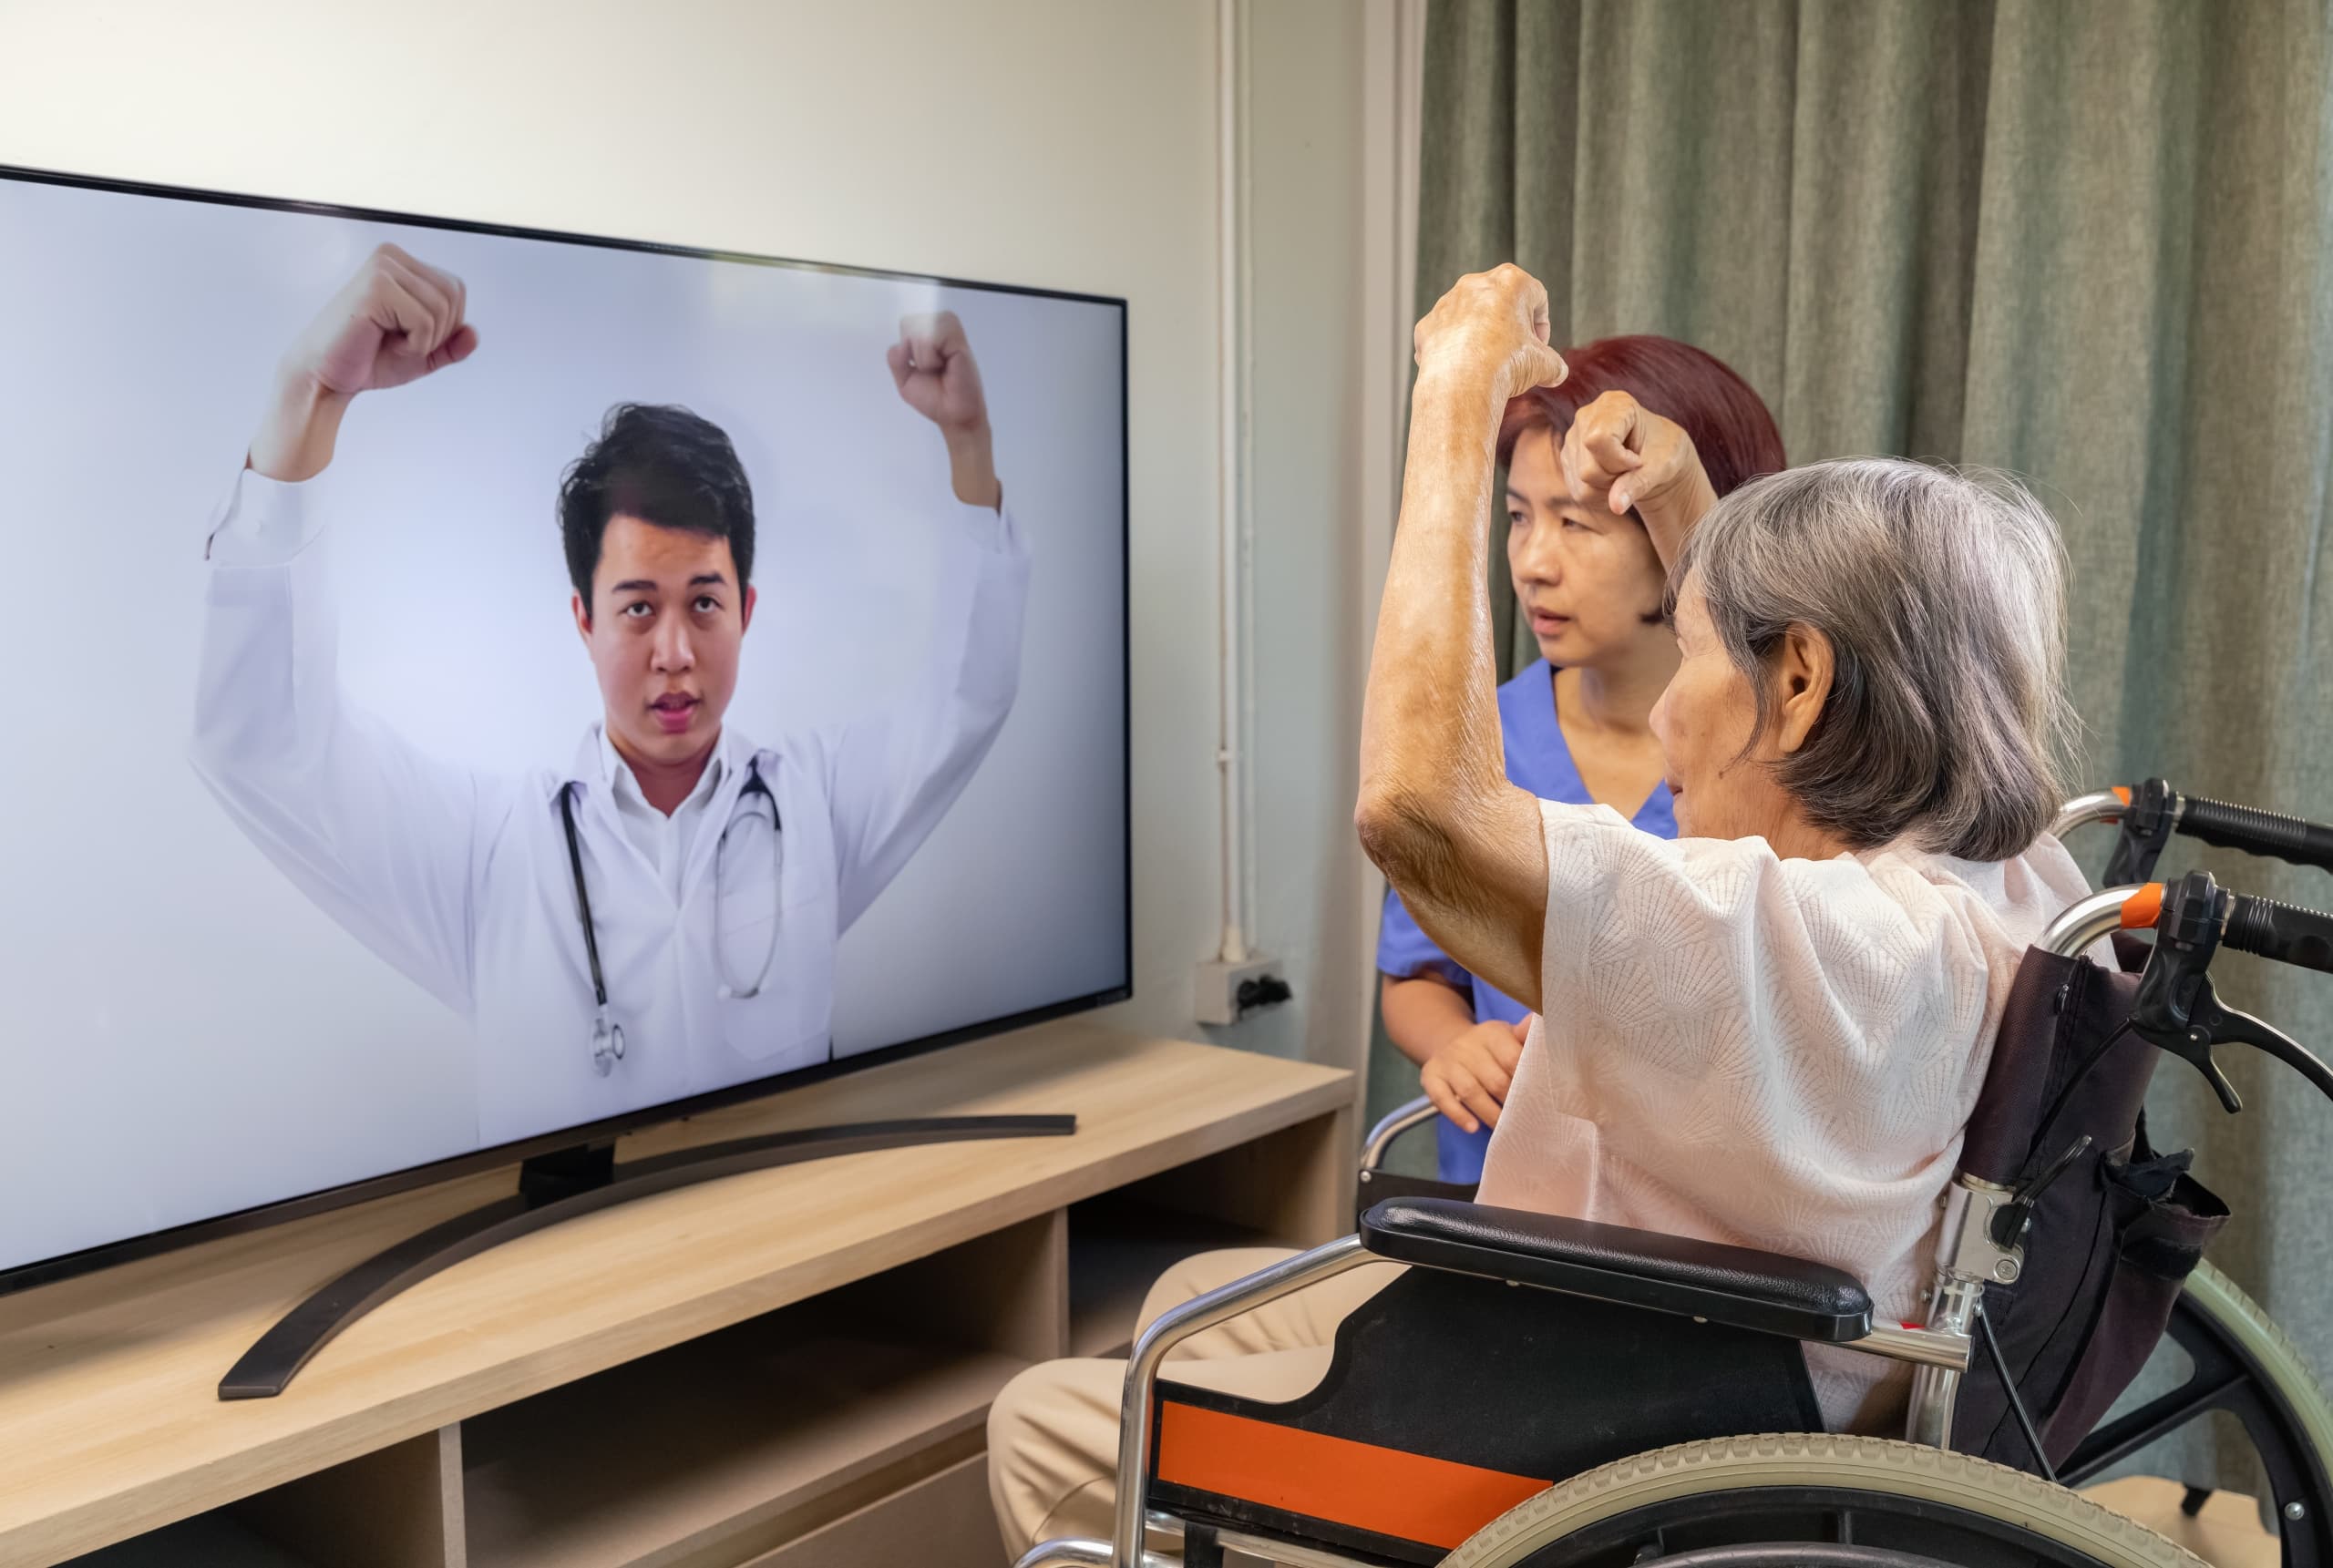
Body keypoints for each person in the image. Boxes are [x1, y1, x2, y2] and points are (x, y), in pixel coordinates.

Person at [989, 262, 2092, 1557]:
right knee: (1190, 1288)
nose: (1670, 712)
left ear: (1796, 686)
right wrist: (1683, 496)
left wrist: (1455, 394)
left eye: (1689, 659)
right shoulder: (2001, 890)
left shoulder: (1786, 939)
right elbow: (1768, 675)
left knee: (1045, 1415)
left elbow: (1414, 807)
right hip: (1686, 1370)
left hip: (1578, 1439)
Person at [192, 243, 1029, 1146]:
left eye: (704, 603)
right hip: (578, 1272)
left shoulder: (812, 806)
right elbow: (265, 744)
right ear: (583, 621)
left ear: (745, 609)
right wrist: (307, 393)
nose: (675, 652)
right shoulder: (488, 852)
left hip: (794, 1248)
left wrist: (968, 444)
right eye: (637, 608)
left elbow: (965, 696)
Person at [1378, 335, 1783, 1181]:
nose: (1531, 563)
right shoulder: (1473, 737)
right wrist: (1457, 1044)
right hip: (1509, 1207)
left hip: (1696, 1216)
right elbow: (1415, 976)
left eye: (1576, 522)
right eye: (1520, 516)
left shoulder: (1772, 762)